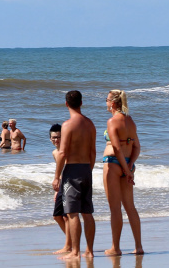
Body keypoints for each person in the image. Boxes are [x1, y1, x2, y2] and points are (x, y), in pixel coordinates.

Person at [53, 90, 97, 260]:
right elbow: (93, 152)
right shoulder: (90, 124)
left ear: (66, 104)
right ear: (81, 103)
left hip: (72, 171)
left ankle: (76, 252)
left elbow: (62, 153)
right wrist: (88, 169)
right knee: (87, 212)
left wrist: (57, 176)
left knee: (72, 213)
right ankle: (90, 251)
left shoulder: (68, 125)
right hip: (86, 168)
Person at [103, 89, 143, 256]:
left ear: (113, 103)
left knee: (115, 208)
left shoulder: (112, 121)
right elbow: (137, 147)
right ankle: (138, 247)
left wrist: (126, 171)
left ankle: (116, 248)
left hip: (113, 164)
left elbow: (117, 148)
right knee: (130, 207)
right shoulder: (130, 121)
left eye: (106, 100)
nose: (105, 102)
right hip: (128, 163)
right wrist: (130, 166)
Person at [49, 123, 72, 255]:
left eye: (59, 137)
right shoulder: (54, 152)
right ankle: (71, 241)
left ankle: (68, 245)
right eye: (53, 138)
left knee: (67, 216)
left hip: (69, 184)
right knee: (57, 216)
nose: (56, 140)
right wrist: (57, 190)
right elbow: (60, 170)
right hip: (61, 186)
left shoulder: (66, 151)